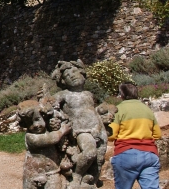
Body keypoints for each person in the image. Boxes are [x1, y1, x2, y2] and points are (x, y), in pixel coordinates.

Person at [51, 60, 108, 188]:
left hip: (98, 129)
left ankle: (92, 180)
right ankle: (77, 177)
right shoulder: (63, 95)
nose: (71, 75)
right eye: (67, 76)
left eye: (74, 71)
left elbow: (93, 111)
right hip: (82, 131)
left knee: (99, 159)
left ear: (82, 73)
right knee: (89, 153)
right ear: (63, 82)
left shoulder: (89, 94)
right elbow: (50, 105)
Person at [109, 82, 162, 189]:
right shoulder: (147, 110)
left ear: (122, 95)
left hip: (125, 154)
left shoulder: (118, 110)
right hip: (149, 154)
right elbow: (158, 134)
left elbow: (112, 135)